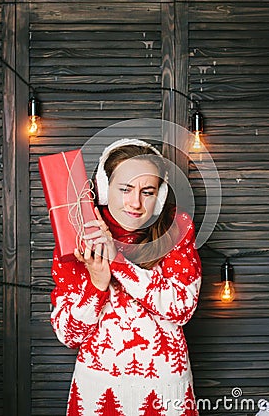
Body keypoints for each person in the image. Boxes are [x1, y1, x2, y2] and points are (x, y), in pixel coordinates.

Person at [50, 139, 202, 416]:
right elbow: (68, 334)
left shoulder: (177, 229)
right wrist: (97, 284)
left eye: (148, 191)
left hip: (166, 391)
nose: (136, 203)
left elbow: (181, 309)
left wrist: (118, 262)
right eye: (125, 189)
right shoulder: (77, 231)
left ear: (160, 196)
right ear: (105, 189)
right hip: (98, 392)